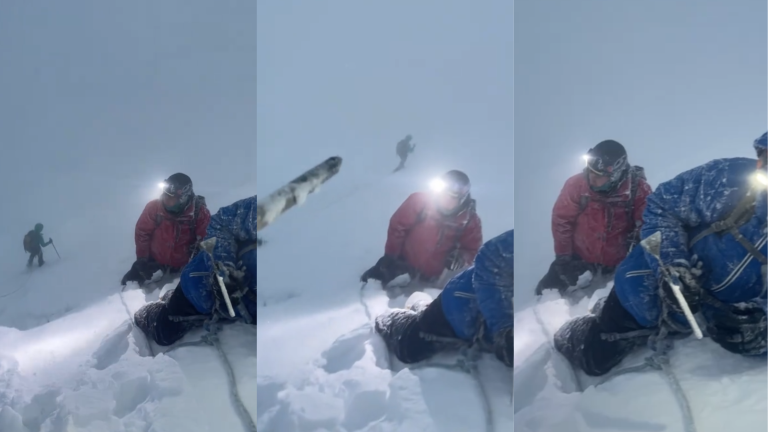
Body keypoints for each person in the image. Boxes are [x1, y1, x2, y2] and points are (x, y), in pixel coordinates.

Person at [554, 133, 768, 377]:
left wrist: (763, 335)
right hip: (644, 287)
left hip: (719, 323)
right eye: (765, 159)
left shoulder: (636, 189)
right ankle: (582, 329)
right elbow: (660, 207)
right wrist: (672, 266)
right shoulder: (730, 178)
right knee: (596, 360)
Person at [374, 229, 514, 367]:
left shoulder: (470, 219)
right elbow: (490, 255)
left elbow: (472, 246)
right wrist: (503, 327)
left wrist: (462, 256)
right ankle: (391, 317)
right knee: (408, 348)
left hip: (482, 326)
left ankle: (422, 306)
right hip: (460, 308)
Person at [134, 195, 257, 346]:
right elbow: (221, 223)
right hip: (201, 287)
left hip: (246, 308)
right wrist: (225, 271)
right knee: (163, 333)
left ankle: (171, 296)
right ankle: (155, 311)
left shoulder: (199, 214)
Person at [536, 140, 652, 295]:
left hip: (618, 261)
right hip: (580, 257)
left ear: (615, 174)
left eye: (598, 175)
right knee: (545, 291)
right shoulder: (576, 185)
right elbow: (562, 221)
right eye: (589, 171)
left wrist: (636, 253)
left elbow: (648, 224)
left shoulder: (639, 190)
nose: (591, 178)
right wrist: (563, 257)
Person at [360, 169, 483, 291]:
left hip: (435, 276)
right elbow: (398, 227)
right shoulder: (420, 202)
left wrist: (461, 257)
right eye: (443, 194)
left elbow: (472, 249)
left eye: (451, 197)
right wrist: (391, 255)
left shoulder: (469, 220)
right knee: (381, 286)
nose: (445, 200)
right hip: (404, 264)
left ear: (461, 199)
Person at [122, 173, 211, 286]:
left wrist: (200, 263)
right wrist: (142, 259)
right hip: (156, 259)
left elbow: (207, 240)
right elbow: (142, 233)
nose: (166, 200)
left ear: (183, 198)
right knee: (129, 281)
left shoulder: (200, 213)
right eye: (165, 195)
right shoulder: (154, 207)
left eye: (171, 198)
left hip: (183, 264)